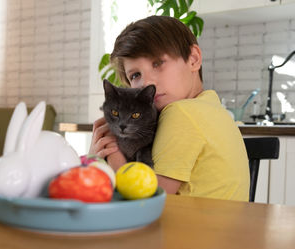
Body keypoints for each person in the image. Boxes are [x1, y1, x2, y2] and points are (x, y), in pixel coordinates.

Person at [89, 16, 250, 201]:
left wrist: (111, 156)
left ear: (193, 59)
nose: (146, 82)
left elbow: (146, 200)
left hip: (190, 229)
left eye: (158, 63)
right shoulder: (212, 108)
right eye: (135, 75)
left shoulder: (182, 113)